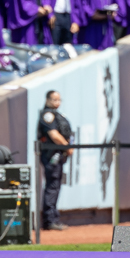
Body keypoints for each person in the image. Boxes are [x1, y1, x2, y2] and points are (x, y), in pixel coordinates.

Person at [37, 89, 73, 231]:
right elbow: (54, 135)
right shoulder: (47, 115)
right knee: (52, 186)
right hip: (51, 155)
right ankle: (49, 220)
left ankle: (53, 218)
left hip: (59, 155)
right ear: (47, 100)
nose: (57, 102)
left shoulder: (57, 115)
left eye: (59, 100)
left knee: (55, 186)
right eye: (54, 99)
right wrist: (68, 147)